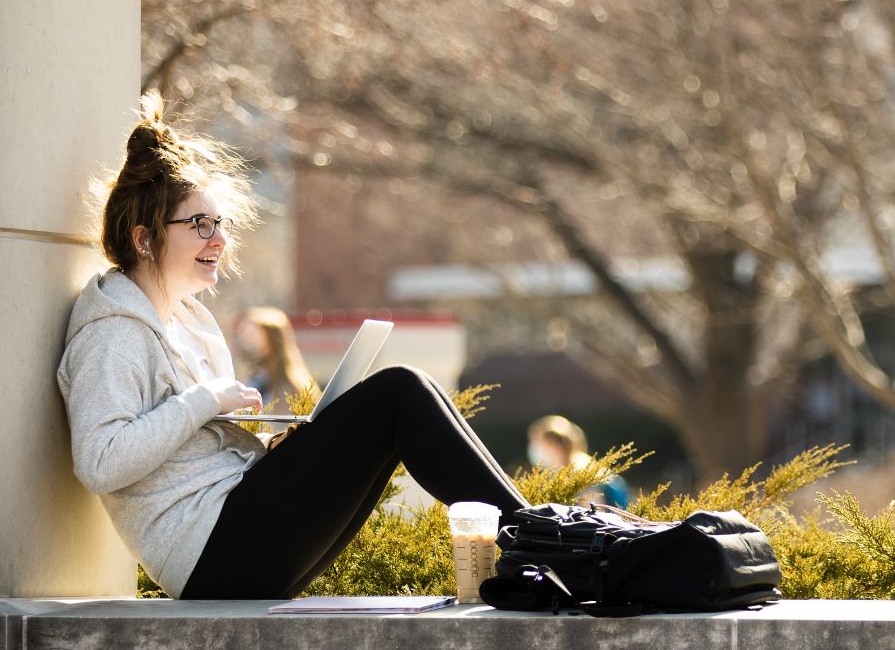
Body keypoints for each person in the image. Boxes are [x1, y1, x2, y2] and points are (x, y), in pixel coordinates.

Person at [56, 107, 526, 600]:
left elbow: (197, 451)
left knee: (411, 392)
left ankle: (543, 537)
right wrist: (205, 401)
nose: (219, 239)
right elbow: (100, 462)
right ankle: (544, 540)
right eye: (199, 224)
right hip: (208, 552)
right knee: (398, 392)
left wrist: (269, 458)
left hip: (232, 527)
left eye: (220, 223)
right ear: (145, 239)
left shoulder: (189, 322)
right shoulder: (112, 335)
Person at [527, 415, 632, 509]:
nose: (534, 448)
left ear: (554, 444)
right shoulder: (563, 471)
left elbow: (593, 516)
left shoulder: (582, 472)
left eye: (537, 442)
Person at [233, 306, 317, 411]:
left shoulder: (289, 388)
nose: (246, 343)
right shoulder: (257, 379)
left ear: (271, 338)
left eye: (252, 335)